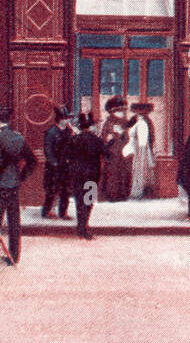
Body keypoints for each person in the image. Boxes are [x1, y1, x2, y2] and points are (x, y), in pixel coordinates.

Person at [0, 106, 34, 268]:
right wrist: (21, 176)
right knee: (14, 223)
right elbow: (32, 161)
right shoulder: (18, 137)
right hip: (14, 186)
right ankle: (14, 257)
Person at [66, 112, 106, 240]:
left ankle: (80, 227)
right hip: (92, 175)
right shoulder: (96, 140)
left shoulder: (74, 139)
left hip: (77, 175)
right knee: (88, 201)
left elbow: (67, 156)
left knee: (79, 201)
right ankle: (84, 226)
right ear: (90, 127)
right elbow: (107, 154)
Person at [41, 106, 73, 220]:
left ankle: (63, 212)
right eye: (65, 118)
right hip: (53, 166)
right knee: (52, 189)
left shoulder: (69, 131)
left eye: (67, 118)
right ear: (59, 119)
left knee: (66, 190)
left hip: (65, 165)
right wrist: (54, 162)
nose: (67, 120)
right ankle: (48, 211)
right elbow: (47, 149)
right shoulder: (51, 131)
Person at [99, 96, 131, 202]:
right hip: (112, 154)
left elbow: (126, 138)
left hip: (123, 154)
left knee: (123, 173)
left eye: (124, 110)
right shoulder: (109, 123)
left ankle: (122, 194)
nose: (123, 113)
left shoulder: (124, 123)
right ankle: (112, 195)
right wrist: (112, 138)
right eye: (120, 111)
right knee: (112, 174)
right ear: (113, 112)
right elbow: (103, 139)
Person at [124, 102, 158, 199]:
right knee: (138, 170)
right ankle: (138, 191)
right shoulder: (137, 121)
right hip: (137, 149)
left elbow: (144, 142)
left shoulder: (143, 122)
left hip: (141, 150)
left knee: (141, 170)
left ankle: (141, 191)